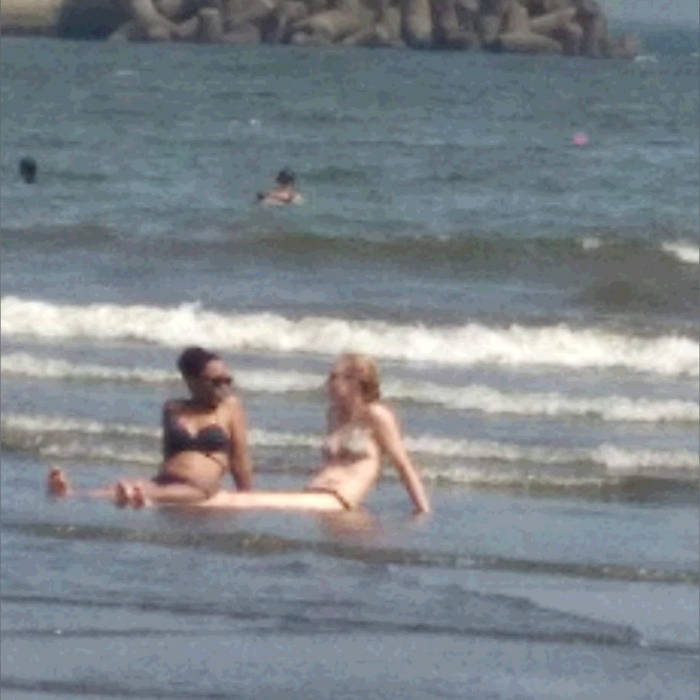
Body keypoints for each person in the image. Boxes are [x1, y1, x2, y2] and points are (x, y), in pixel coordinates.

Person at [177, 353, 430, 514]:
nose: (328, 383)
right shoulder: (334, 414)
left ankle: (172, 502)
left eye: (335, 377)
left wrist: (422, 510)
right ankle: (172, 505)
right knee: (229, 501)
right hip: (315, 494)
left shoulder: (376, 415)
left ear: (356, 380)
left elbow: (403, 465)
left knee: (235, 502)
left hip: (339, 499)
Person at [47, 346, 253, 505]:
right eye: (216, 382)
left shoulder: (231, 407)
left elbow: (239, 457)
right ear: (191, 381)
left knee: (144, 492)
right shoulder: (173, 408)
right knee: (128, 486)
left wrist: (246, 495)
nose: (224, 388)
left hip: (201, 487)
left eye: (228, 381)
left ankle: (108, 495)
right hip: (165, 480)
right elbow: (169, 452)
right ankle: (70, 493)